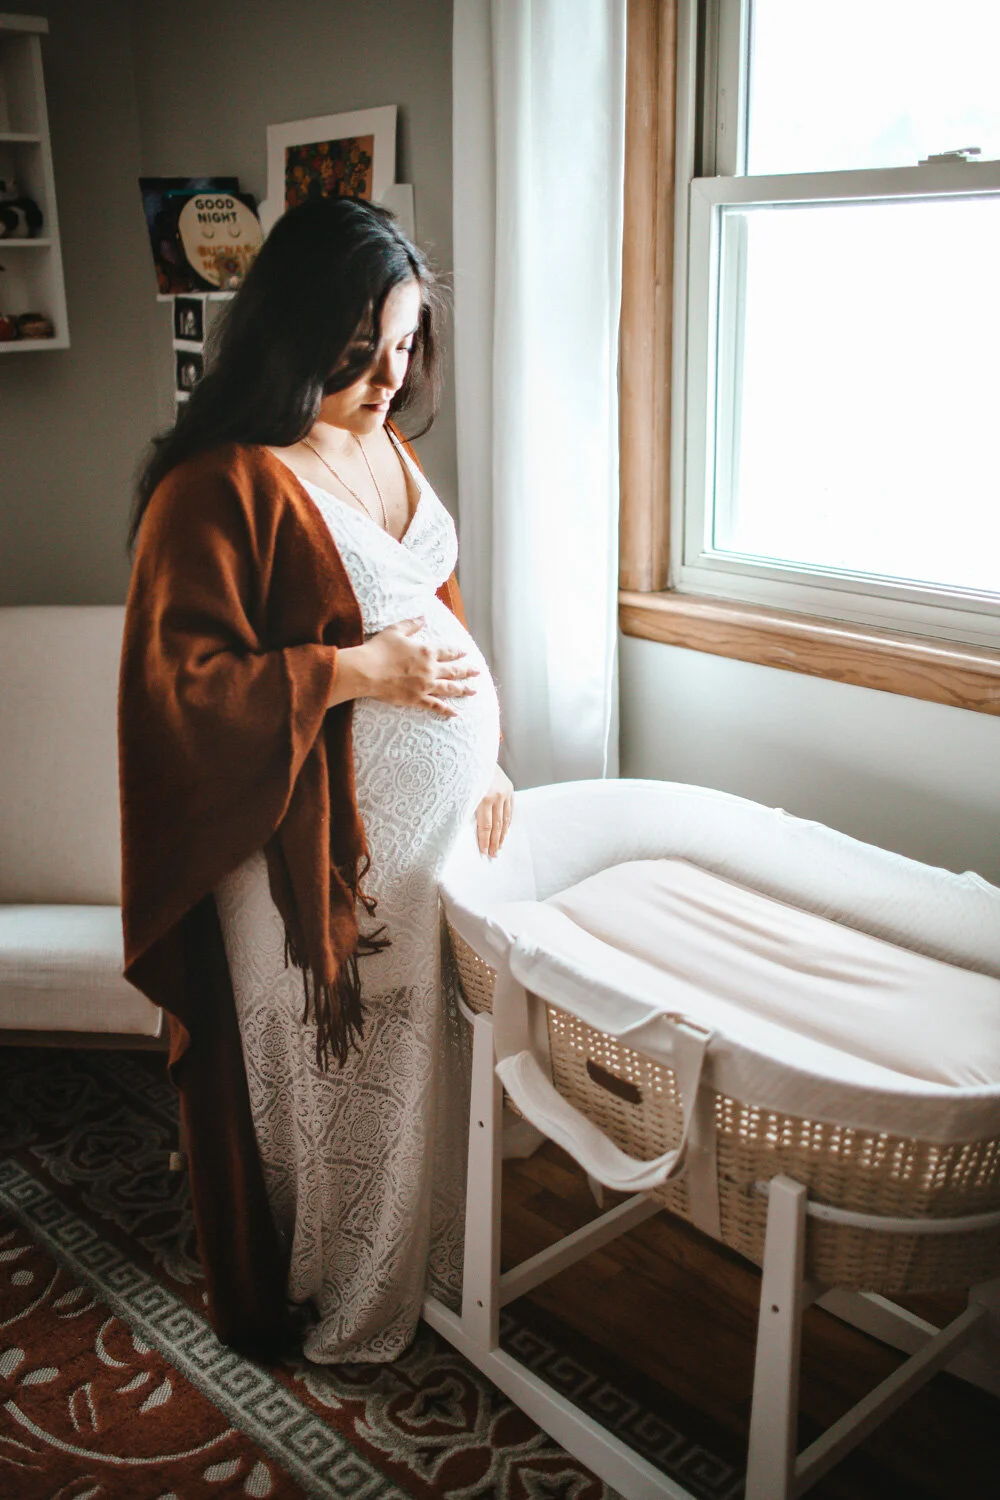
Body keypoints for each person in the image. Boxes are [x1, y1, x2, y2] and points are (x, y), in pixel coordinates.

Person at [119, 195, 513, 1357]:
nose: (388, 377)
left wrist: (493, 758)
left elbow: (430, 617)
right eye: (359, 353)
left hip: (436, 848)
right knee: (345, 1092)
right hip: (313, 885)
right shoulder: (217, 485)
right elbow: (178, 693)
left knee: (423, 1087)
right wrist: (347, 673)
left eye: (403, 346)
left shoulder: (384, 444)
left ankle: (425, 1276)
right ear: (296, 337)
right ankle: (339, 1305)